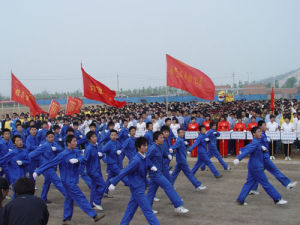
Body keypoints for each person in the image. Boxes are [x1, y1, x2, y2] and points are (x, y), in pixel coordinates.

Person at [33, 135, 105, 224]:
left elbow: (83, 158)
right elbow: (51, 163)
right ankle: (94, 215)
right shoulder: (63, 154)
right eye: (74, 141)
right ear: (68, 143)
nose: (76, 143)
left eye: (76, 141)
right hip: (67, 181)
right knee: (80, 196)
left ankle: (66, 219)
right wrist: (38, 171)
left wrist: (77, 160)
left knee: (69, 199)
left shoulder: (75, 151)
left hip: (73, 179)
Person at [108, 137, 161, 225]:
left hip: (139, 186)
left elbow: (148, 161)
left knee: (131, 209)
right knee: (148, 211)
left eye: (147, 145)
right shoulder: (135, 160)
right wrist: (114, 182)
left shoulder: (144, 156)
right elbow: (124, 171)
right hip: (137, 188)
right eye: (144, 146)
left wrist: (152, 166)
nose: (146, 147)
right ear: (138, 147)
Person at [234, 127, 288, 206]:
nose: (260, 133)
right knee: (265, 183)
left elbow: (250, 148)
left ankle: (241, 199)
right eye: (258, 132)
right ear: (254, 134)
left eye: (260, 131)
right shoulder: (255, 142)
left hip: (253, 166)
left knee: (249, 183)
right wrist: (239, 158)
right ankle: (277, 199)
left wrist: (261, 148)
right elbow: (249, 150)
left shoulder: (257, 142)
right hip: (256, 167)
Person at [248, 121, 297, 195]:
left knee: (257, 174)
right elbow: (256, 143)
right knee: (274, 170)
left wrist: (269, 139)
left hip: (263, 157)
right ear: (260, 127)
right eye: (264, 125)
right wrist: (261, 146)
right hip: (263, 157)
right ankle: (287, 183)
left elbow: (267, 140)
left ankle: (253, 189)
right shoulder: (259, 135)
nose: (266, 127)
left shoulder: (263, 134)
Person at [146, 131, 189, 214]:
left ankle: (148, 209)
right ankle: (178, 205)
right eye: (161, 138)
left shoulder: (159, 146)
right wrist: (151, 166)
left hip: (159, 171)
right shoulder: (152, 148)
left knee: (151, 191)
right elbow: (146, 158)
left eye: (163, 137)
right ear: (155, 140)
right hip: (155, 173)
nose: (162, 139)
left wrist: (167, 155)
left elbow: (162, 153)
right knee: (168, 186)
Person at [29, 131, 66, 203]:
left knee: (47, 182)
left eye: (52, 137)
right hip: (47, 166)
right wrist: (25, 158)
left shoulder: (55, 144)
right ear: (46, 138)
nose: (51, 138)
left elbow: (62, 150)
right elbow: (34, 153)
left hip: (53, 166)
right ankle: (68, 196)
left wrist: (56, 149)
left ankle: (43, 198)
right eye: (49, 137)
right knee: (57, 181)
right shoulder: (45, 145)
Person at [84, 131, 106, 211]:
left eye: (95, 136)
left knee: (94, 187)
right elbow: (85, 160)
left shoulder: (95, 146)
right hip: (93, 171)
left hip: (97, 169)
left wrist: (100, 155)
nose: (95, 138)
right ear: (89, 139)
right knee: (103, 185)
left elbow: (96, 157)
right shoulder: (89, 148)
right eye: (93, 137)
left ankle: (91, 204)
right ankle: (96, 202)